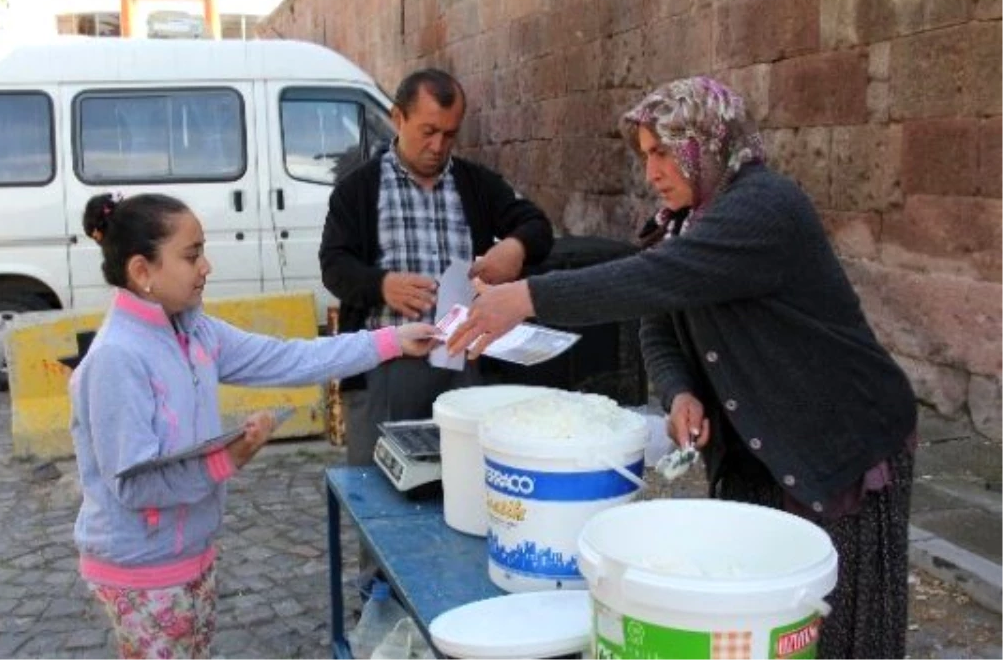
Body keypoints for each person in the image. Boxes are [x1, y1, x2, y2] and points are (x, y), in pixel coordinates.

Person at [447, 77, 917, 658]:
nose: (652, 172)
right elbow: (658, 318)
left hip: (836, 443)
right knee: (755, 616)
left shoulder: (765, 208)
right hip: (758, 455)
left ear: (707, 142)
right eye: (646, 155)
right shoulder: (682, 220)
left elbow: (654, 281)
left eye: (664, 151)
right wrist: (678, 392)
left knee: (830, 622)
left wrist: (527, 297)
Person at [71, 192, 435, 659]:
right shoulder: (117, 358)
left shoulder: (193, 329)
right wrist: (228, 459)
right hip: (143, 568)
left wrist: (391, 341)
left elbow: (287, 357)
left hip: (188, 555)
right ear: (143, 271)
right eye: (191, 255)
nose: (207, 266)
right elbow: (135, 486)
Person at [319, 68, 554, 468]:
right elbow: (334, 265)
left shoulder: (475, 183)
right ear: (398, 119)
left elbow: (536, 226)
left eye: (449, 134)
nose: (437, 145)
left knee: (468, 478)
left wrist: (515, 248)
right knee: (379, 488)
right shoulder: (357, 189)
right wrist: (381, 284)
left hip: (464, 361)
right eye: (428, 131)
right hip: (386, 365)